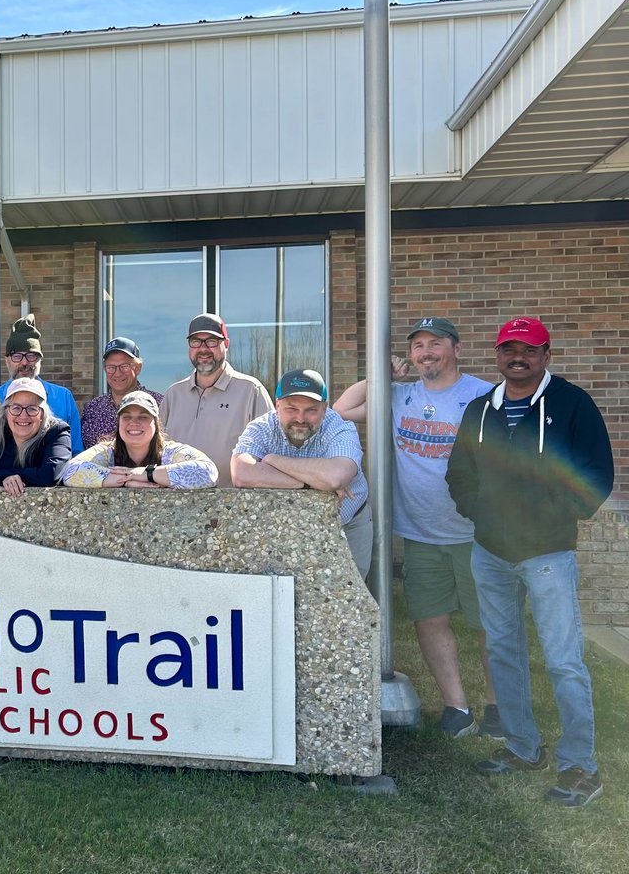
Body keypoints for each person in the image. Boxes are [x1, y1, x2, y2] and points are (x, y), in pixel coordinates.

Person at [446, 317, 614, 807]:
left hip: (548, 553)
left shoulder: (572, 403)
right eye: (508, 349)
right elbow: (459, 472)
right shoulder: (481, 409)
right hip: (490, 553)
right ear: (497, 355)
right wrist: (480, 511)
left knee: (563, 660)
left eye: (529, 349)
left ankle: (580, 766)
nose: (517, 357)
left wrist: (555, 516)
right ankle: (523, 746)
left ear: (546, 355)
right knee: (503, 651)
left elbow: (596, 472)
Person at [334, 317, 498, 740]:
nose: (426, 352)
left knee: (491, 625)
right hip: (420, 534)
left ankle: (499, 707)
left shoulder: (482, 396)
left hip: (476, 534)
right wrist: (380, 377)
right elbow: (341, 411)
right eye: (419, 345)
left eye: (435, 343)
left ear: (456, 349)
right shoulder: (399, 396)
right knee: (429, 619)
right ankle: (457, 708)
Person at [231, 369, 371, 577]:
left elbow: (336, 476)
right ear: (277, 406)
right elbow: (241, 473)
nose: (300, 418)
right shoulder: (261, 427)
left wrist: (273, 460)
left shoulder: (340, 428)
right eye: (291, 409)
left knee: (349, 592)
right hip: (284, 528)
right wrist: (311, 484)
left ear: (324, 409)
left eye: (311, 410)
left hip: (346, 525)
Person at [160, 313, 273, 488]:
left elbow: (271, 452)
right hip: (177, 501)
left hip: (233, 500)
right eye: (196, 342)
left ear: (226, 344)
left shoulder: (251, 390)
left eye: (211, 341)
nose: (203, 349)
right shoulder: (173, 394)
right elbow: (156, 448)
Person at [64, 391, 217, 489]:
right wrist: (128, 480)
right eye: (127, 417)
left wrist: (147, 474)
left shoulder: (171, 452)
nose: (134, 423)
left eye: (143, 417)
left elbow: (208, 472)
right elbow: (71, 471)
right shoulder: (106, 451)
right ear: (118, 423)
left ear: (156, 423)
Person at [0, 315, 84, 455]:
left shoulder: (63, 397)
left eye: (31, 356)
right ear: (7, 361)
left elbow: (76, 451)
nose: (24, 363)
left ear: (40, 360)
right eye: (17, 356)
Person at [0, 377, 71, 496]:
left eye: (32, 409)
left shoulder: (57, 432)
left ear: (42, 414)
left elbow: (51, 475)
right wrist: (4, 478)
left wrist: (5, 475)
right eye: (16, 408)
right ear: (6, 412)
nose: (23, 415)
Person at [80, 337, 164, 448]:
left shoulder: (159, 404)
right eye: (111, 367)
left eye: (124, 366)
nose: (118, 373)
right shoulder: (93, 408)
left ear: (137, 368)